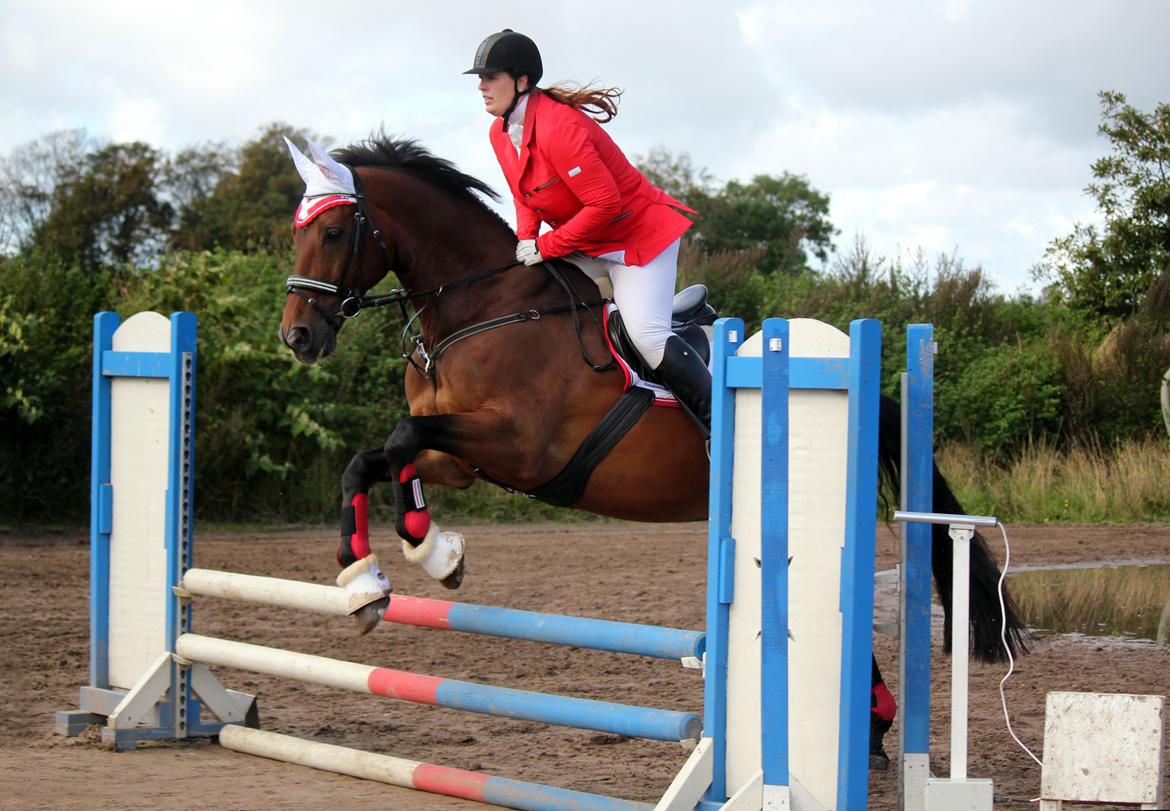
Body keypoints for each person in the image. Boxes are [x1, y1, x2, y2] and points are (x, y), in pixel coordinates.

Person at [465, 29, 712, 437]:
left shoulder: (561, 128)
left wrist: (546, 245)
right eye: (481, 78)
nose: (481, 86)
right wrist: (525, 242)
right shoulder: (500, 132)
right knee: (525, 288)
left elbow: (605, 206)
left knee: (648, 337)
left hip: (638, 239)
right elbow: (524, 195)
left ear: (522, 81)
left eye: (491, 77)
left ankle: (718, 427)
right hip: (587, 240)